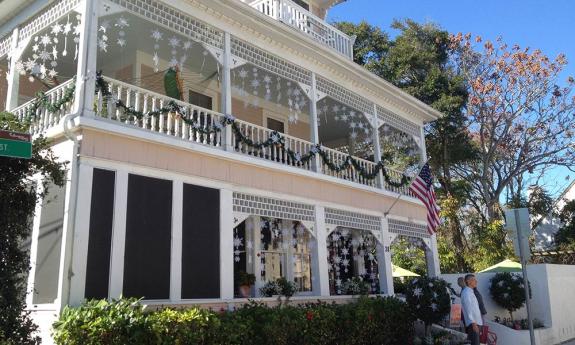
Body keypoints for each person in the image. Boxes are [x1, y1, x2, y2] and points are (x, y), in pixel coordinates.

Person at [461, 274, 482, 345]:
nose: (476, 281)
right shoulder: (467, 292)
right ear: (468, 281)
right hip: (473, 323)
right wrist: (473, 323)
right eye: (474, 280)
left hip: (475, 322)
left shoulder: (470, 292)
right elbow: (468, 308)